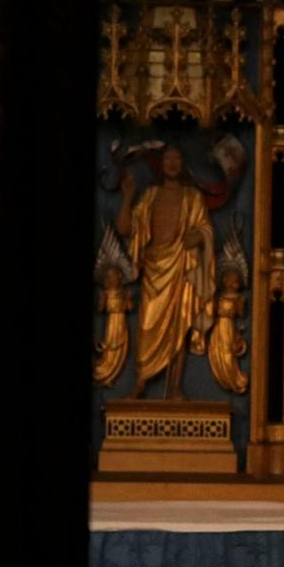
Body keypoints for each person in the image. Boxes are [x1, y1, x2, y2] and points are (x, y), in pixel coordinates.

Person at [115, 145, 216, 400]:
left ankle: (174, 387)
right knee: (147, 324)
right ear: (161, 163)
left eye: (176, 157)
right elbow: (125, 228)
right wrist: (127, 196)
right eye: (167, 158)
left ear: (182, 163)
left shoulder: (192, 197)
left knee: (179, 326)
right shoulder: (150, 196)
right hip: (154, 267)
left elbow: (205, 228)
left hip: (180, 266)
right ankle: (140, 381)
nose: (172, 163)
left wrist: (198, 236)